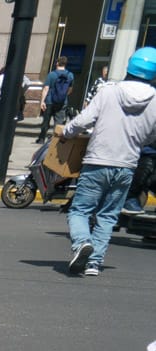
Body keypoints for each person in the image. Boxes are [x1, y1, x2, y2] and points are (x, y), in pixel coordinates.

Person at [61, 46, 156, 276]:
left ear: (129, 67)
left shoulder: (108, 91)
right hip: (127, 165)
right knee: (108, 215)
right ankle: (94, 263)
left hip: (98, 161)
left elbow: (84, 120)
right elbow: (152, 135)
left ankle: (82, 242)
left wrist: (66, 132)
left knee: (80, 210)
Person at [41, 55, 76, 139]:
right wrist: (62, 95)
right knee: (59, 122)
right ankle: (55, 139)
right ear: (65, 64)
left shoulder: (52, 74)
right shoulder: (70, 75)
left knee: (46, 121)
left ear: (57, 63)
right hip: (62, 102)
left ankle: (41, 138)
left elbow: (46, 88)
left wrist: (42, 101)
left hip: (50, 101)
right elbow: (70, 89)